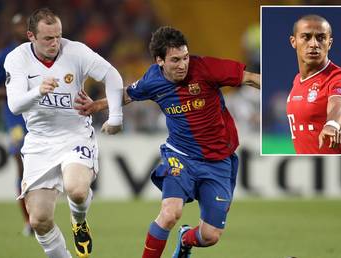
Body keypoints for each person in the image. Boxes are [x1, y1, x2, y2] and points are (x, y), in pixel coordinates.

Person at [75, 26, 260, 258]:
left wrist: (294, 91)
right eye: (175, 60)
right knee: (170, 212)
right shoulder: (153, 79)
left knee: (210, 235)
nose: (183, 64)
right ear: (159, 60)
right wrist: (97, 106)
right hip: (180, 155)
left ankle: (185, 240)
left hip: (219, 160)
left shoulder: (206, 67)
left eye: (185, 57)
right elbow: (127, 95)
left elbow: (251, 79)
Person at [4, 8, 123, 258]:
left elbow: (112, 75)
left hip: (75, 134)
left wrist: (115, 117)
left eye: (58, 36)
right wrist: (38, 91)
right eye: (48, 38)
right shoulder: (16, 59)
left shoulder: (76, 51)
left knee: (77, 190)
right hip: (39, 142)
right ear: (31, 37)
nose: (55, 43)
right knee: (39, 220)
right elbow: (14, 105)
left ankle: (78, 220)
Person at [286, 14, 341, 154]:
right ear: (293, 41)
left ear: (329, 43)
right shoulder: (297, 81)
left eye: (321, 38)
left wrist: (332, 124)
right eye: (306, 37)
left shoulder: (339, 78)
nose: (314, 44)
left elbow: (339, 105)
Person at [0, 13, 32, 236]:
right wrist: (16, 92)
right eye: (18, 25)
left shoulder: (45, 52)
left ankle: (43, 215)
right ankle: (28, 221)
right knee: (22, 166)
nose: (22, 29)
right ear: (12, 30)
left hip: (43, 119)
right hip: (16, 120)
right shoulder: (4, 56)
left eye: (26, 25)